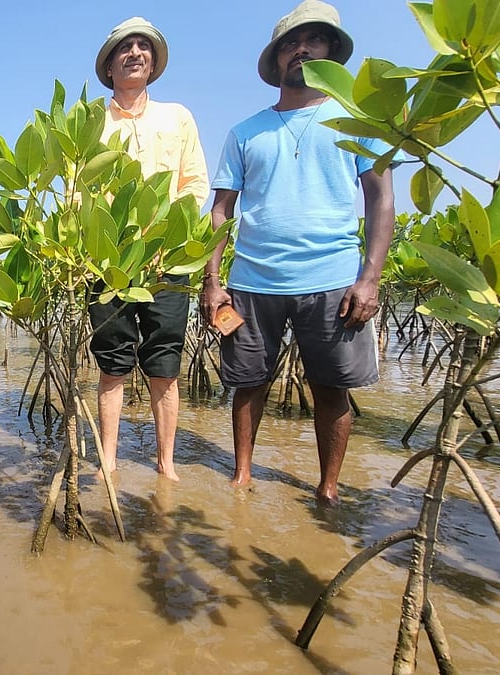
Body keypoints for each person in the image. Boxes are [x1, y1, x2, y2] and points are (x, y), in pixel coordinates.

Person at [201, 0, 396, 504]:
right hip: (251, 283)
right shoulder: (245, 131)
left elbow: (380, 198)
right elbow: (220, 210)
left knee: (332, 388)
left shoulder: (357, 120)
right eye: (290, 43)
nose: (301, 50)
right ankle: (242, 476)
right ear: (277, 59)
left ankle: (327, 488)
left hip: (332, 278)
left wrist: (370, 277)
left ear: (332, 51)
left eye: (314, 40)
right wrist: (213, 282)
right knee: (248, 384)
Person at [89, 17, 210, 481]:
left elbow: (195, 181)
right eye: (125, 47)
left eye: (143, 47)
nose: (135, 52)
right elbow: (81, 192)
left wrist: (161, 234)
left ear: (154, 61)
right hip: (111, 262)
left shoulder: (178, 116)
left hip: (166, 261)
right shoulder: (92, 121)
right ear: (110, 65)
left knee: (165, 363)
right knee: (112, 363)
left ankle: (166, 463)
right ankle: (110, 461)